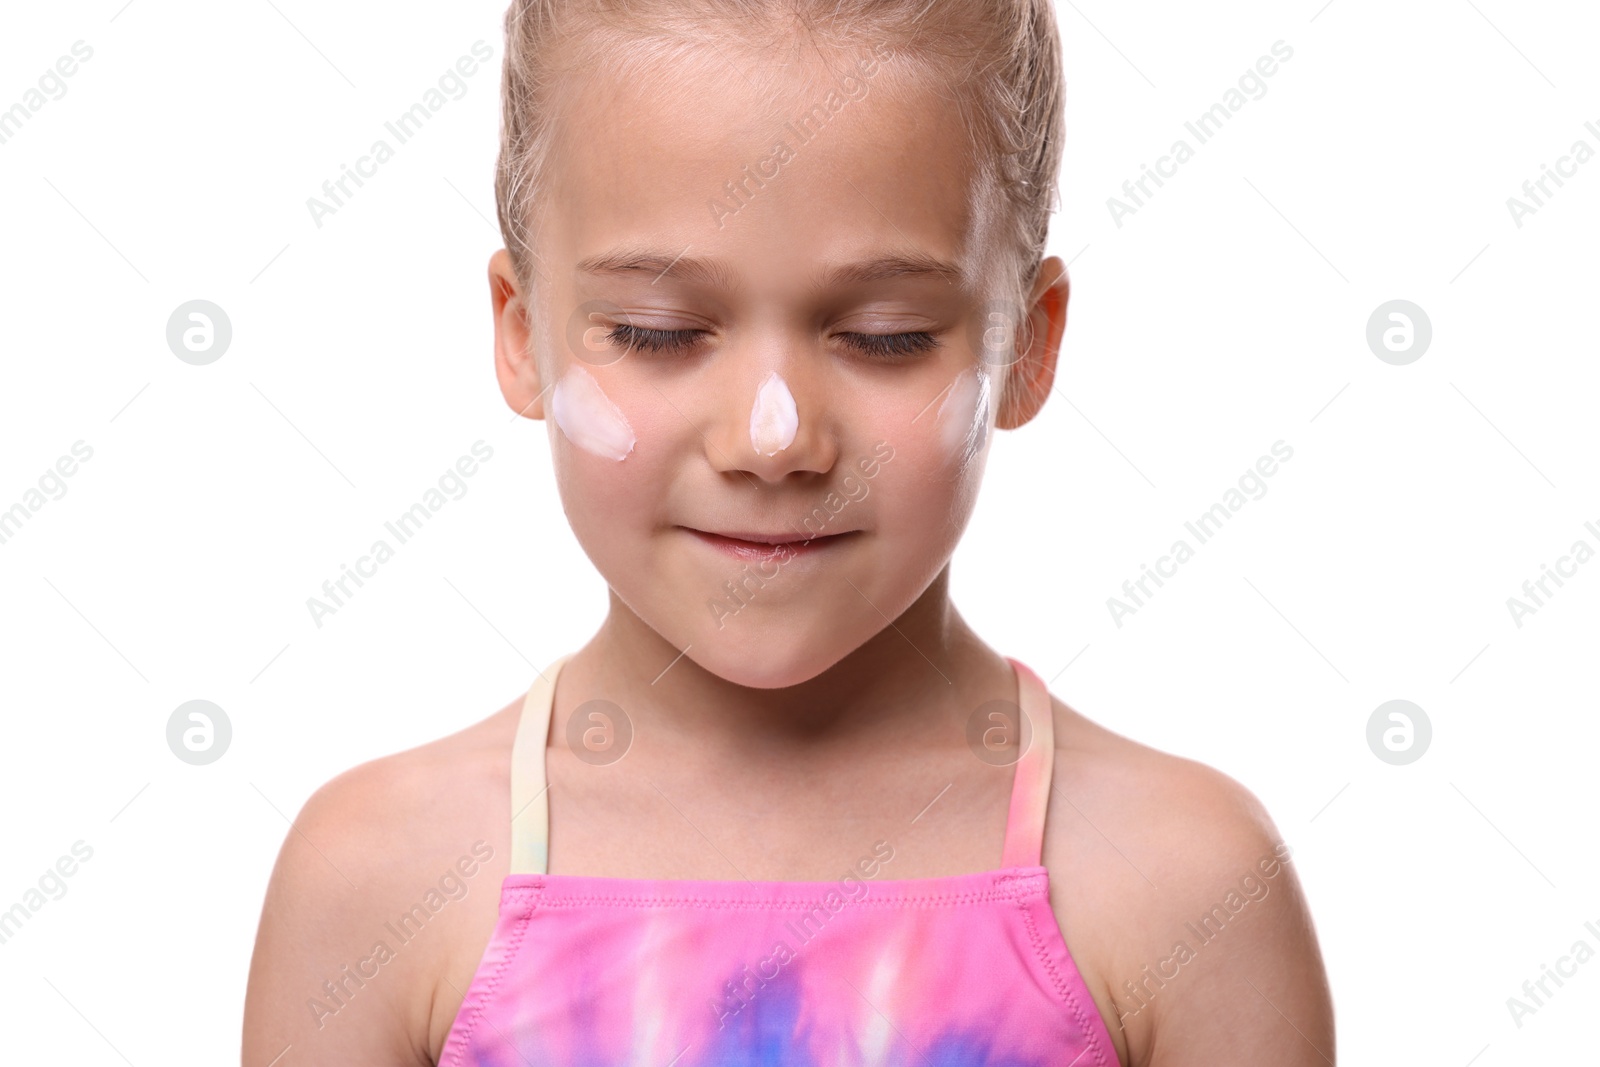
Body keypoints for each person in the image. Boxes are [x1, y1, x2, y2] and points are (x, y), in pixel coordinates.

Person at [242, 2, 1335, 1063]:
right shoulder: (379, 884)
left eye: (885, 336)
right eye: (657, 334)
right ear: (521, 332)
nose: (774, 437)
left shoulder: (1185, 891)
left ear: (1029, 344)